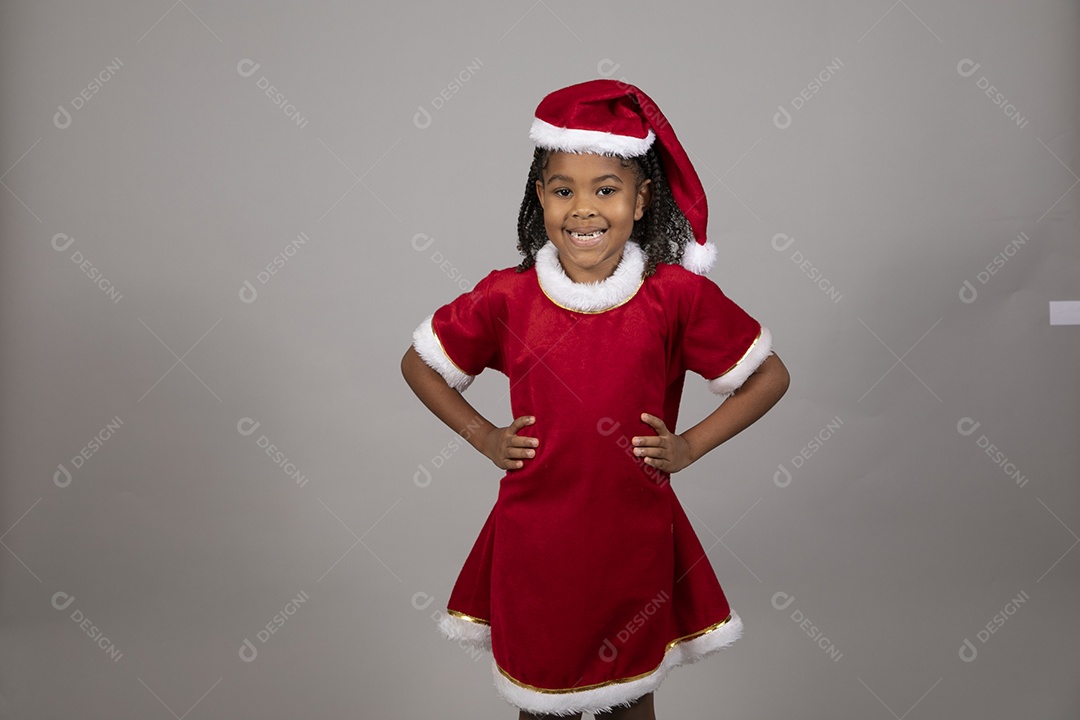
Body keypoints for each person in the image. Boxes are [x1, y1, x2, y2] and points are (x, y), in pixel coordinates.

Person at [401, 79, 790, 719]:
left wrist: (689, 444)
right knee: (539, 697)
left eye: (605, 189)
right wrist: (485, 436)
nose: (583, 209)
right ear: (540, 198)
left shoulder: (674, 298)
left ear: (641, 202)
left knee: (630, 698)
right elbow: (421, 364)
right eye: (563, 190)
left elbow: (768, 376)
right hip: (536, 540)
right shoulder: (507, 297)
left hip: (631, 538)